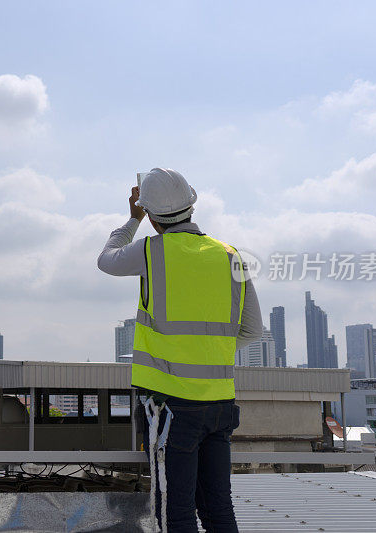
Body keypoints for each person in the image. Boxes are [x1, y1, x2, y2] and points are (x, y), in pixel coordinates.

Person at [97, 168, 262, 532]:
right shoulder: (230, 255)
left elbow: (106, 259)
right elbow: (252, 330)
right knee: (218, 509)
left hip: (169, 410)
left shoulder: (152, 250)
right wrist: (208, 352)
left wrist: (131, 218)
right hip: (220, 406)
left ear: (152, 217)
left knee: (175, 513)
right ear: (192, 204)